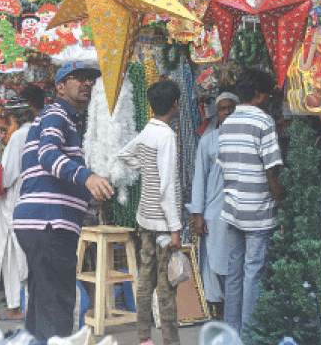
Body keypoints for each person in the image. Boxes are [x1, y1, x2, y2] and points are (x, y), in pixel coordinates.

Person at [13, 62, 114, 341]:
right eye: (77, 79)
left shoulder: (70, 120)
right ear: (60, 87)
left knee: (43, 304)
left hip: (42, 223)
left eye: (89, 80)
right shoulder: (57, 114)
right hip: (49, 222)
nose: (86, 84)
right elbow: (47, 154)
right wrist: (86, 177)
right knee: (56, 307)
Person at [217, 68, 286, 334]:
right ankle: (250, 334)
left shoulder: (227, 123)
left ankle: (232, 332)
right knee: (253, 272)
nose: (269, 99)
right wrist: (281, 196)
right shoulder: (264, 122)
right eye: (268, 94)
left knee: (234, 273)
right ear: (258, 95)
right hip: (258, 210)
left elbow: (225, 165)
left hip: (233, 209)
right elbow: (271, 170)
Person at [117, 80, 183, 345]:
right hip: (163, 223)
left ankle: (144, 337)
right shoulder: (166, 135)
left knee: (146, 278)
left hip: (145, 217)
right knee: (166, 286)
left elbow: (124, 154)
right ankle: (170, 340)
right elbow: (167, 188)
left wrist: (145, 168)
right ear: (176, 105)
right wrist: (175, 229)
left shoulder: (147, 131)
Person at [188, 92, 238, 320]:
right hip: (214, 212)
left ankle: (234, 311)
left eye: (231, 108)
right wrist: (198, 214)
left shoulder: (245, 137)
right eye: (222, 108)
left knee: (235, 262)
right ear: (216, 113)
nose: (227, 112)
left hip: (240, 210)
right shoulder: (208, 141)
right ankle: (219, 314)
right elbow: (199, 179)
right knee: (215, 264)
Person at [0, 97, 35, 322]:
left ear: (14, 118)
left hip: (13, 203)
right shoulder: (36, 131)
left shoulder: (18, 137)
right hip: (31, 200)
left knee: (12, 255)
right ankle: (27, 302)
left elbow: (7, 176)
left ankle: (16, 306)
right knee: (26, 253)